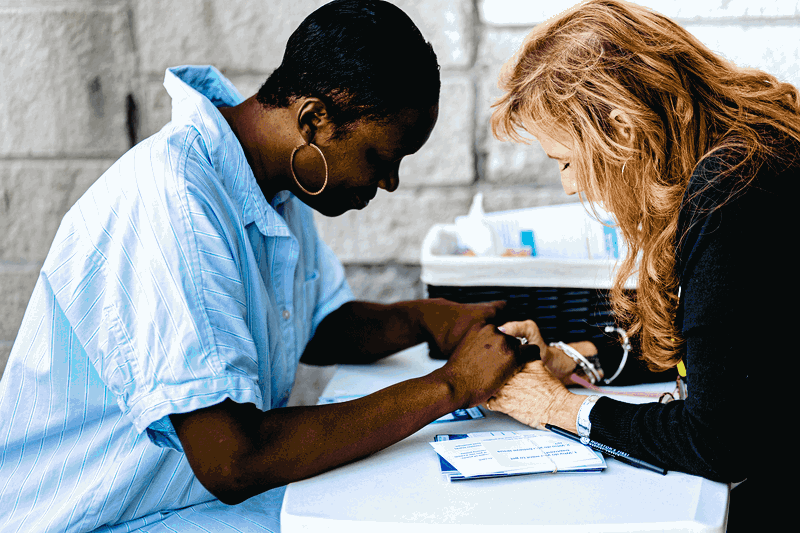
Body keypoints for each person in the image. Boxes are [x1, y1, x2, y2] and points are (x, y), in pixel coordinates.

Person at [0, 2, 535, 531]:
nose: (390, 181)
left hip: (187, 505)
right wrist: (450, 387)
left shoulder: (272, 182)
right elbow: (232, 459)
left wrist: (430, 319)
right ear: (313, 120)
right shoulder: (175, 200)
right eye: (381, 157)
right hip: (100, 520)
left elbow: (315, 327)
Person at [486, 0, 797, 529]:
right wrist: (575, 360)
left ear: (622, 132)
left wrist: (560, 409)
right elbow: (727, 355)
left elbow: (720, 441)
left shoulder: (730, 190)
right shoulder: (750, 145)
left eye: (565, 160)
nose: (569, 184)